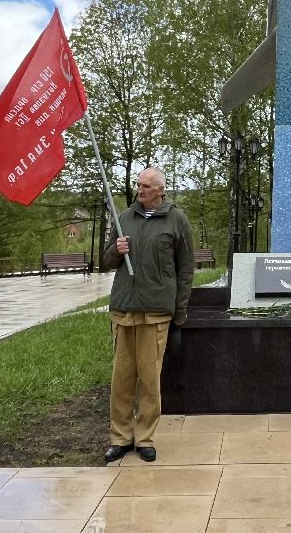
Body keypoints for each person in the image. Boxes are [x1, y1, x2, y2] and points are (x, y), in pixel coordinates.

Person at [103, 166, 194, 463]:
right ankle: (120, 437)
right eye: (138, 185)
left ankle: (144, 437)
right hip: (124, 309)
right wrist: (116, 250)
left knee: (150, 379)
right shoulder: (124, 218)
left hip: (156, 312)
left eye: (145, 186)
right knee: (122, 378)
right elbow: (105, 261)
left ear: (160, 190)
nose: (139, 190)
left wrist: (178, 311)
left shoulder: (176, 220)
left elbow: (185, 269)